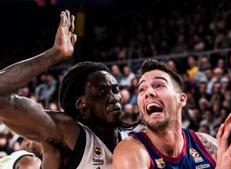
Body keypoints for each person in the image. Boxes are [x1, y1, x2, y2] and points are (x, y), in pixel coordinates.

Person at [0, 10, 137, 169]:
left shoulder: (134, 141)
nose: (114, 98)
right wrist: (53, 56)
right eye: (102, 92)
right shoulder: (67, 134)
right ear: (81, 103)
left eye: (115, 89)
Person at [112, 59, 231, 169]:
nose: (148, 92)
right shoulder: (132, 151)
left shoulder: (209, 146)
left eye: (158, 85)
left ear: (181, 99)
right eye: (141, 89)